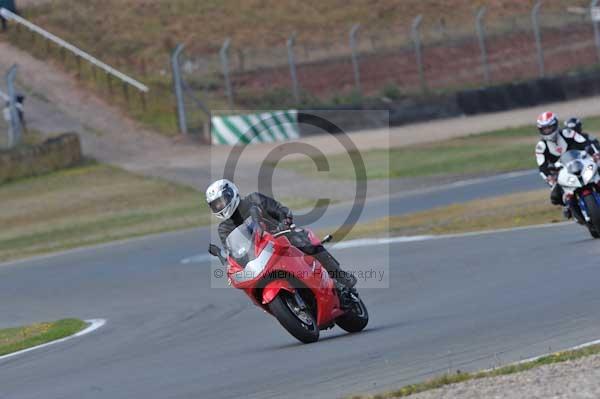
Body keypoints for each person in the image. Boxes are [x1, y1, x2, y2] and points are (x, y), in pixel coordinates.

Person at [206, 179, 357, 296]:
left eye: (221, 201)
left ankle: (340, 276)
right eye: (215, 205)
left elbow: (278, 209)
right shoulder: (224, 228)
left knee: (304, 243)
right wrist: (229, 263)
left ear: (231, 193)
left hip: (280, 237)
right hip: (258, 256)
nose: (220, 207)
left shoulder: (254, 199)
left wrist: (284, 220)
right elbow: (232, 251)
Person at [535, 111, 600, 219]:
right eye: (544, 129)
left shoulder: (568, 133)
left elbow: (585, 143)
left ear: (555, 125)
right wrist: (550, 179)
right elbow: (542, 167)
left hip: (580, 162)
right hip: (560, 171)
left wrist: (594, 153)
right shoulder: (540, 147)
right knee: (555, 196)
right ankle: (568, 207)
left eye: (549, 128)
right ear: (540, 130)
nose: (547, 131)